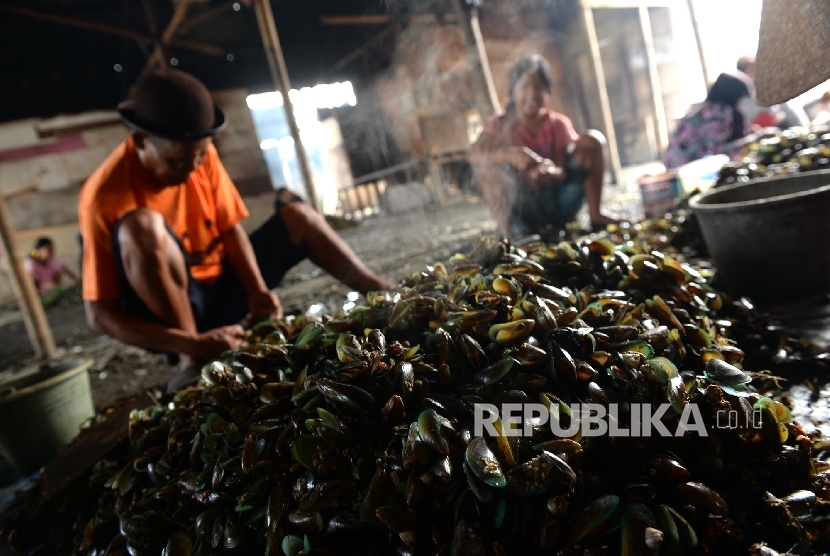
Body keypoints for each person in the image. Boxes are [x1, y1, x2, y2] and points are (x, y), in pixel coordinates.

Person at [79, 69, 393, 390]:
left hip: (224, 289)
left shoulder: (200, 154)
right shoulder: (103, 196)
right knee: (142, 226)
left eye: (199, 158)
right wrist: (191, 342)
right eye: (178, 161)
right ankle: (193, 360)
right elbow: (100, 315)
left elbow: (230, 229)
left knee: (299, 216)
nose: (190, 172)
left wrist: (256, 290)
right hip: (176, 317)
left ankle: (385, 293)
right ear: (142, 140)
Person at [468, 54, 619, 238]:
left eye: (538, 86)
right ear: (512, 92)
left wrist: (553, 174)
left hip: (561, 205)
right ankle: (507, 234)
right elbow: (473, 154)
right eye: (524, 86)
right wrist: (510, 155)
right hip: (524, 209)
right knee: (486, 168)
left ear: (547, 91)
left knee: (593, 139)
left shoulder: (557, 124)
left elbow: (562, 169)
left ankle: (596, 215)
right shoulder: (499, 124)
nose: (532, 93)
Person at [663, 73, 753, 170]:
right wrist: (753, 139)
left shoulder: (702, 108)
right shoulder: (718, 112)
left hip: (674, 166)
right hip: (690, 169)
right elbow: (716, 150)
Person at [736, 56, 809, 131]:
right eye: (751, 69)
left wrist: (803, 129)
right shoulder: (741, 100)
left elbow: (789, 111)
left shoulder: (770, 88)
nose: (756, 72)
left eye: (756, 67)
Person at [23, 237, 79, 306]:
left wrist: (78, 281)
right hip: (37, 296)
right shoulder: (29, 264)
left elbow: (67, 272)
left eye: (52, 250)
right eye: (48, 250)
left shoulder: (53, 260)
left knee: (62, 289)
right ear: (38, 251)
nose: (51, 253)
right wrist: (51, 285)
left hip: (53, 292)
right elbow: (31, 283)